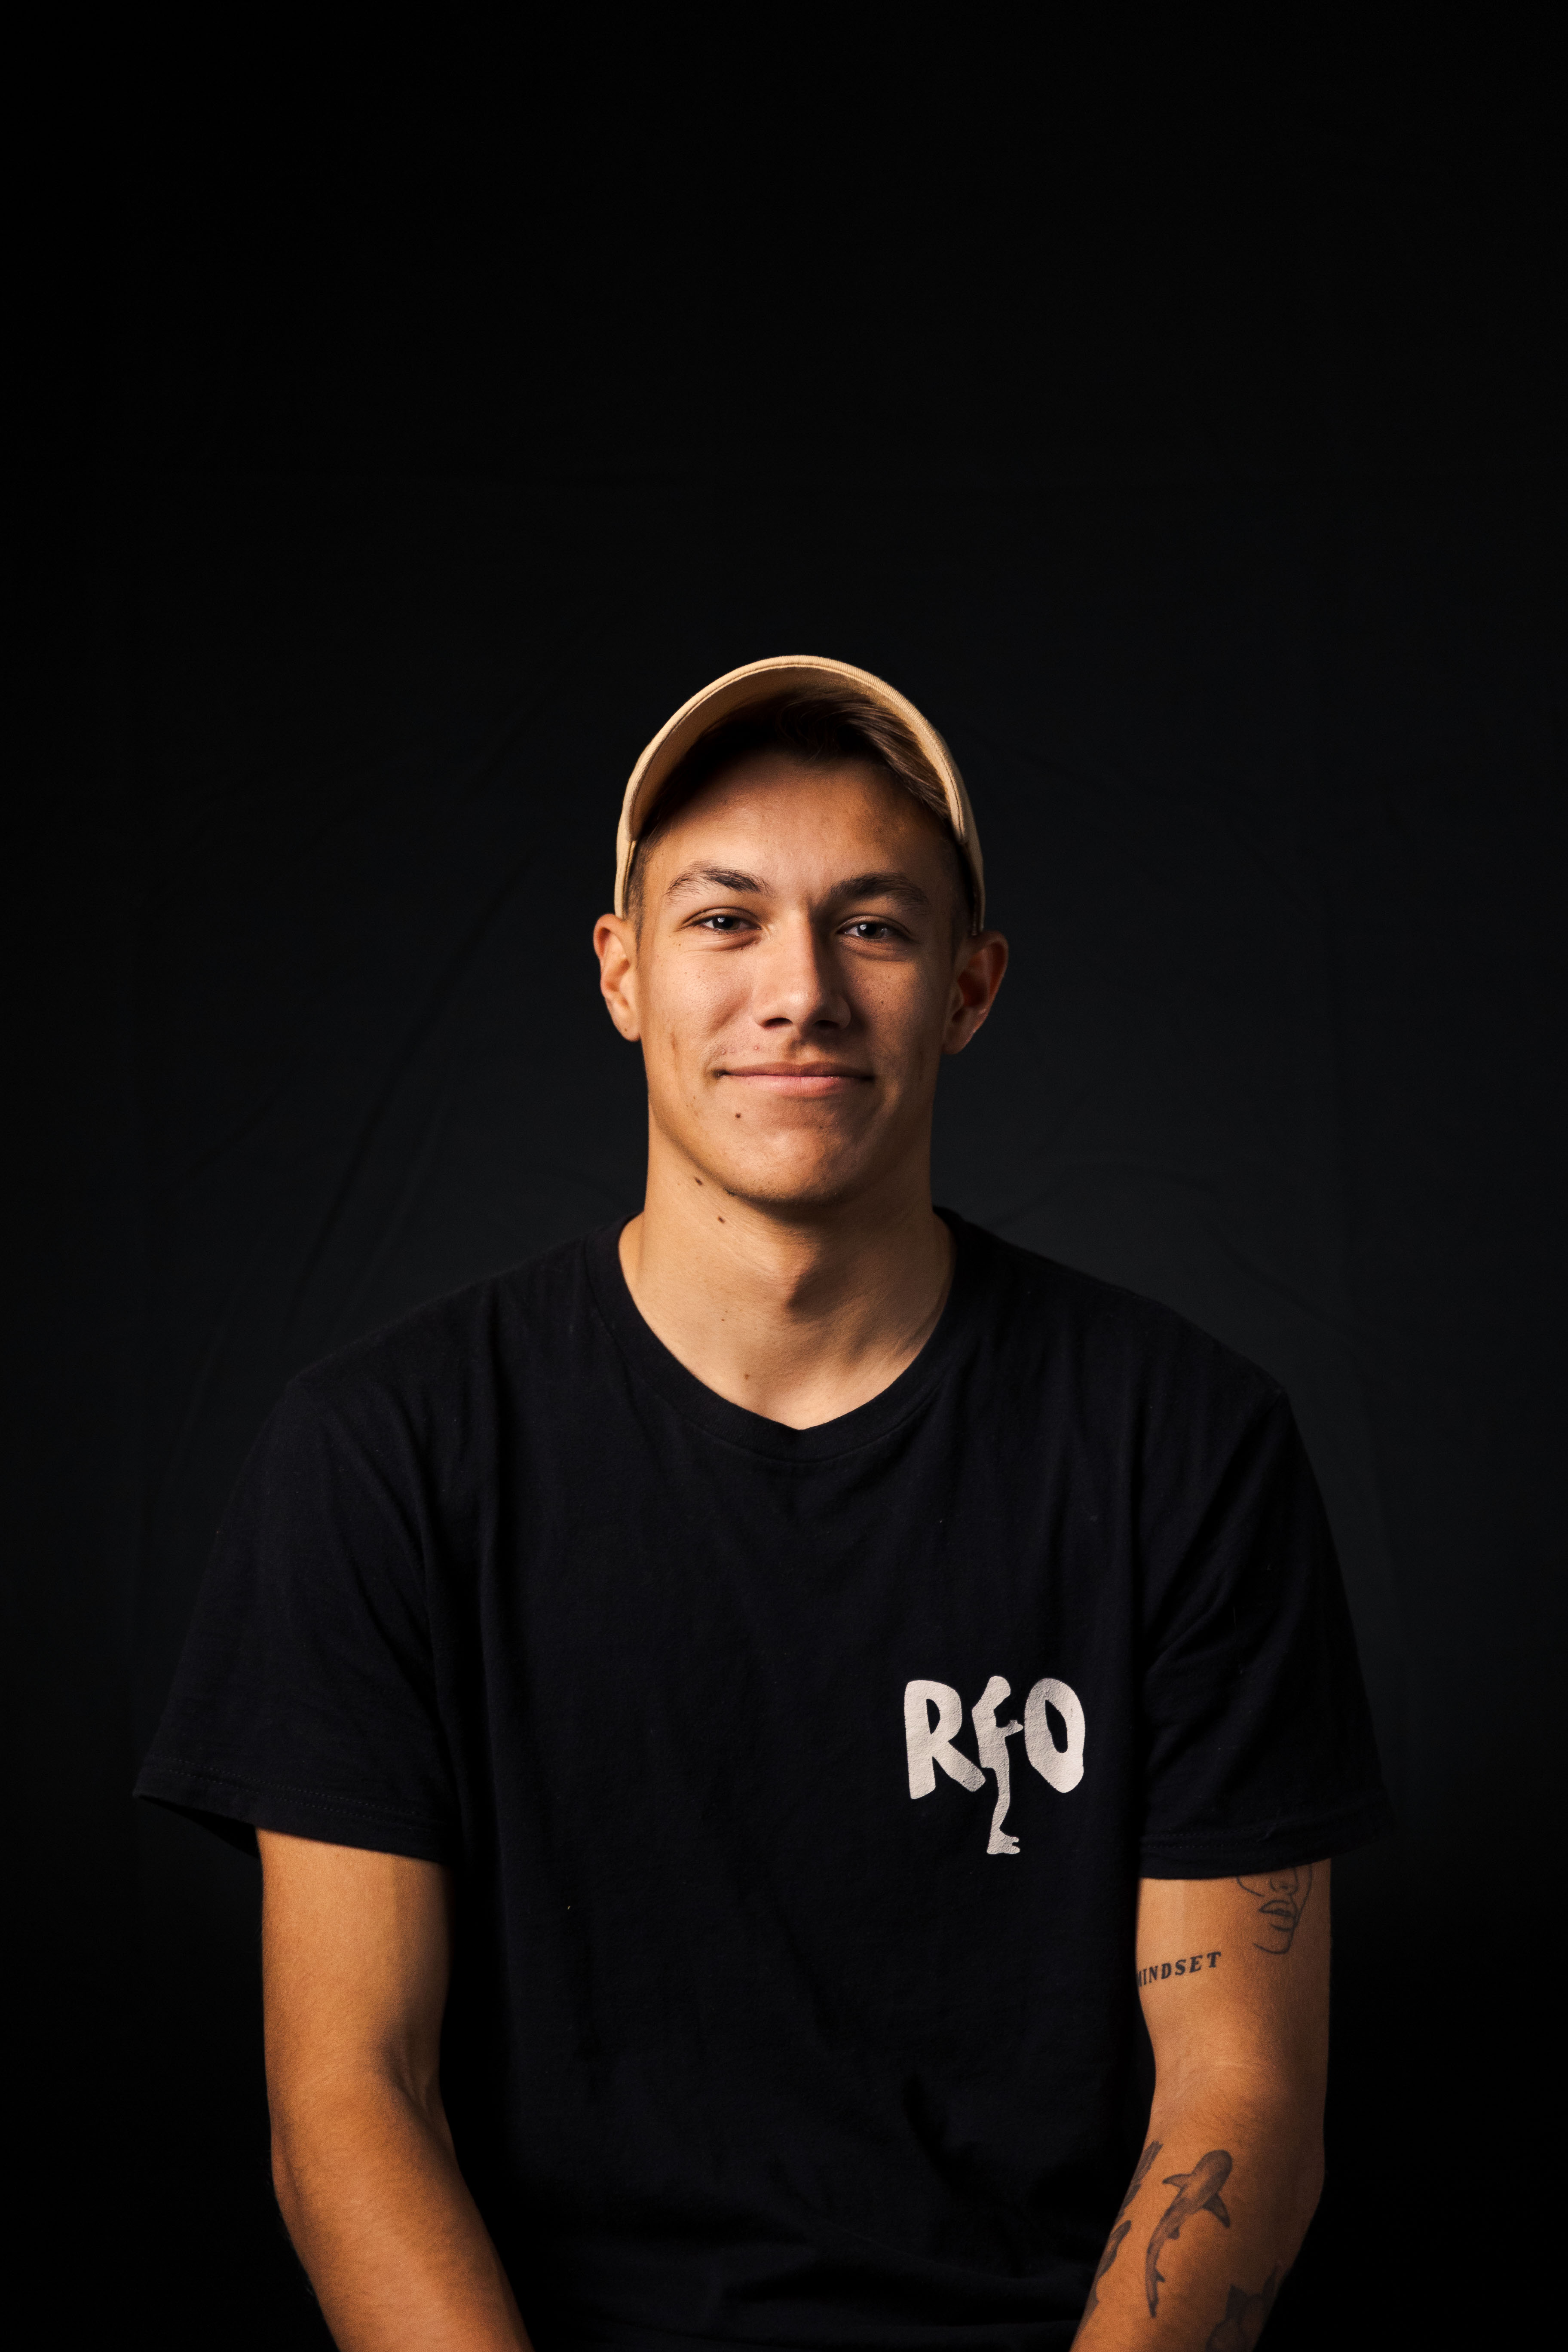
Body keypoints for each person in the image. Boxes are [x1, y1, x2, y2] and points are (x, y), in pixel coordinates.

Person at [137, 655, 1391, 2352]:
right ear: (623, 973)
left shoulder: (1186, 1445)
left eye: (873, 923)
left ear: (969, 985)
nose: (798, 991)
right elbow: (352, 2103)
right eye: (725, 919)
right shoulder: (383, 1452)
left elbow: (1240, 2104)